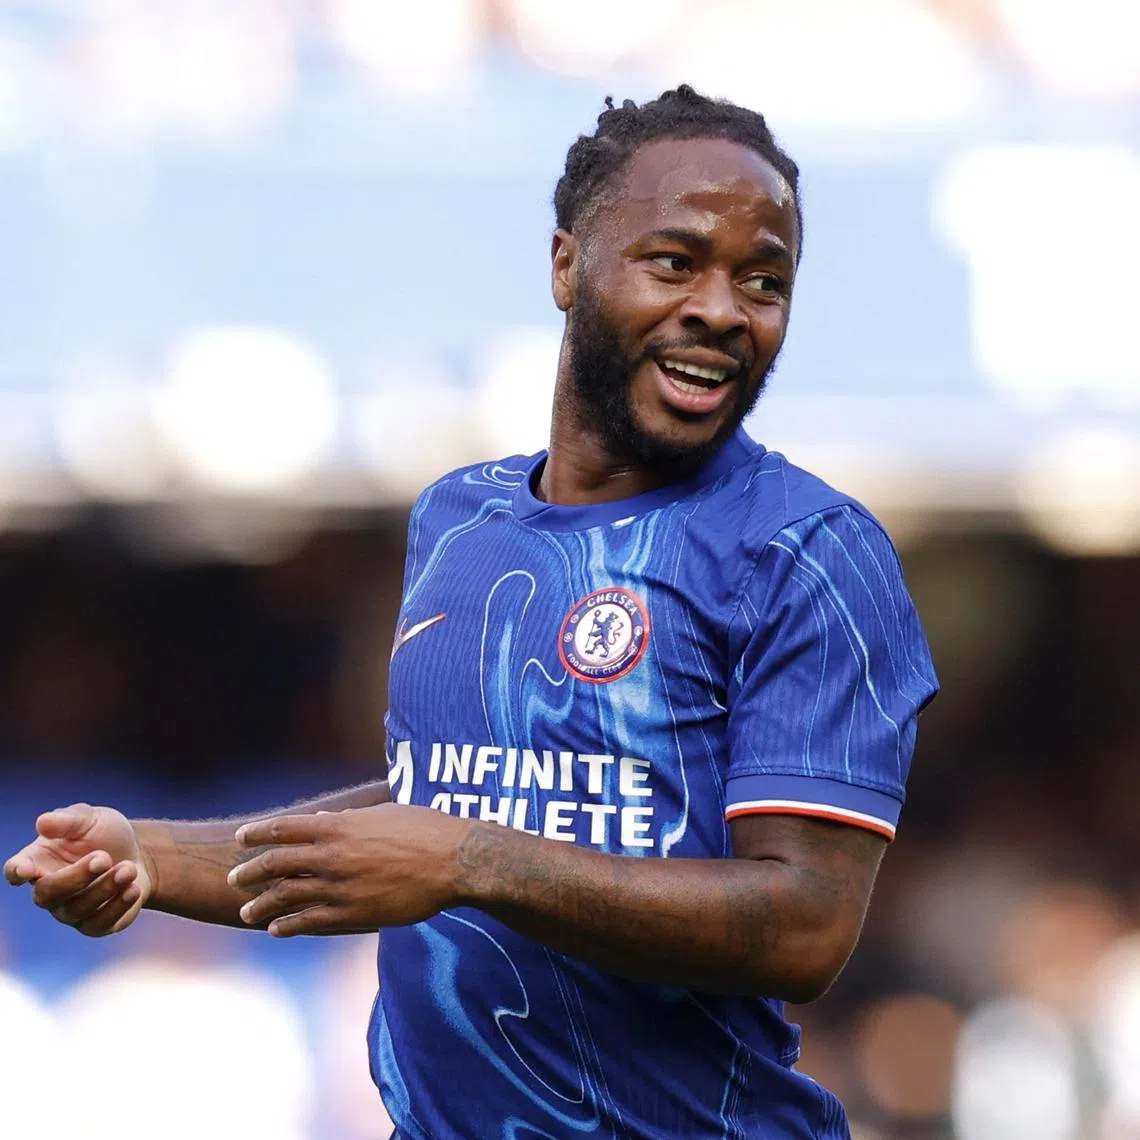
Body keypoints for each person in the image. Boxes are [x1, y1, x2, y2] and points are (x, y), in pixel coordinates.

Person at [5, 86, 938, 1139]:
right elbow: (433, 800)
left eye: (763, 281)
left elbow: (804, 927)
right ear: (565, 265)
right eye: (675, 262)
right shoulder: (459, 518)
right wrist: (149, 855)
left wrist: (468, 860)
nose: (723, 309)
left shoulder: (807, 550)